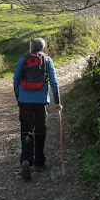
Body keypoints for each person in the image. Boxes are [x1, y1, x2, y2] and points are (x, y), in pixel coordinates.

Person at [13, 37, 62, 180]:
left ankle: (26, 160)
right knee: (40, 130)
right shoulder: (47, 60)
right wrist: (57, 102)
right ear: (44, 48)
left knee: (26, 130)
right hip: (41, 101)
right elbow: (54, 82)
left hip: (24, 100)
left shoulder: (22, 60)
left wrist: (18, 97)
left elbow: (16, 80)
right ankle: (40, 162)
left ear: (31, 48)